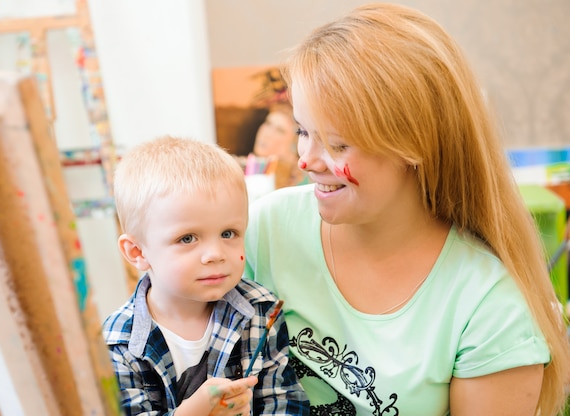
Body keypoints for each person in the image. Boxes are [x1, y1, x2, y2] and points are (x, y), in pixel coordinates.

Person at [243, 3, 570, 415]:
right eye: (303, 131)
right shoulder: (262, 229)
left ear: (413, 146)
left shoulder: (490, 307)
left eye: (338, 144)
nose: (306, 160)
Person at [103, 136, 309, 416]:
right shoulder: (118, 343)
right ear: (138, 251)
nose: (215, 254)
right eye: (187, 238)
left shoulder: (262, 311)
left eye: (228, 233)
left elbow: (284, 402)